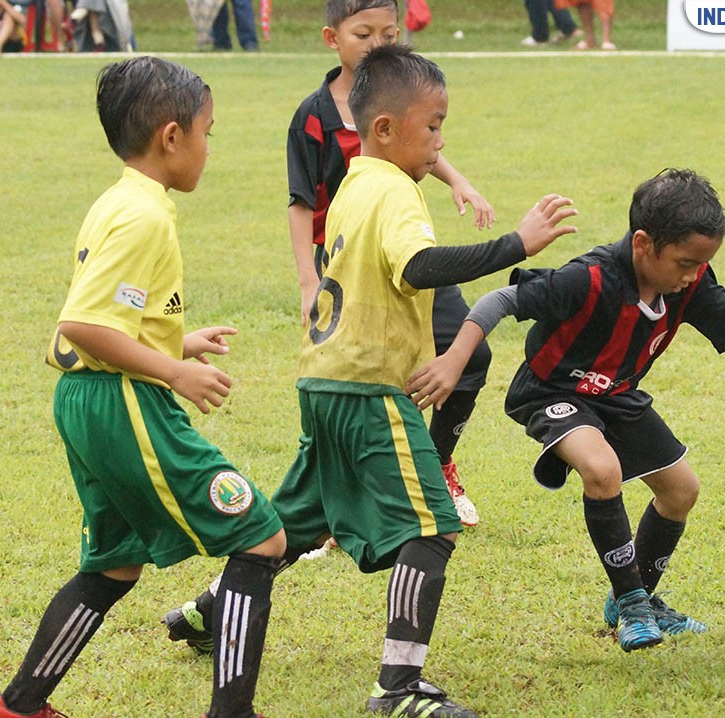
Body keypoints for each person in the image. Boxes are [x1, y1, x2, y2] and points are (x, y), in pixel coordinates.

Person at [166, 44, 576, 717]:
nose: (441, 141)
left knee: (293, 523)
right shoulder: (395, 190)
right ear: (385, 129)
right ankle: (399, 688)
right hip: (367, 389)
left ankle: (207, 612)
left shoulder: (355, 184)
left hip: (323, 381)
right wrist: (516, 246)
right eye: (434, 125)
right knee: (432, 529)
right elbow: (415, 266)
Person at [406, 168, 725, 653]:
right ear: (642, 244)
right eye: (685, 262)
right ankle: (631, 600)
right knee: (601, 467)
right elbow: (500, 298)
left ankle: (638, 601)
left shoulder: (687, 285)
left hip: (616, 394)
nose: (693, 274)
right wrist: (456, 357)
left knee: (681, 491)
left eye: (701, 264)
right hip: (551, 390)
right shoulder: (587, 278)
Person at [0, 57, 286, 718]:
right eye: (208, 131)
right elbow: (84, 324)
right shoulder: (144, 217)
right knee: (259, 535)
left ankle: (19, 706)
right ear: (171, 137)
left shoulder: (120, 200)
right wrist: (173, 371)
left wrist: (176, 341)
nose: (211, 147)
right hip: (121, 400)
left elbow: (109, 319)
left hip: (88, 400)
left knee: (115, 562)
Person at [286, 0, 495, 527]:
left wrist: (459, 180)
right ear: (333, 38)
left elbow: (416, 140)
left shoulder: (404, 106)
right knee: (364, 377)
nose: (376, 43)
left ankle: (436, 462)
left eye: (387, 32)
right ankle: (364, 488)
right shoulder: (314, 116)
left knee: (469, 355)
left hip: (402, 256)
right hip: (351, 268)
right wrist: (309, 281)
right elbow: (301, 203)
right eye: (363, 33)